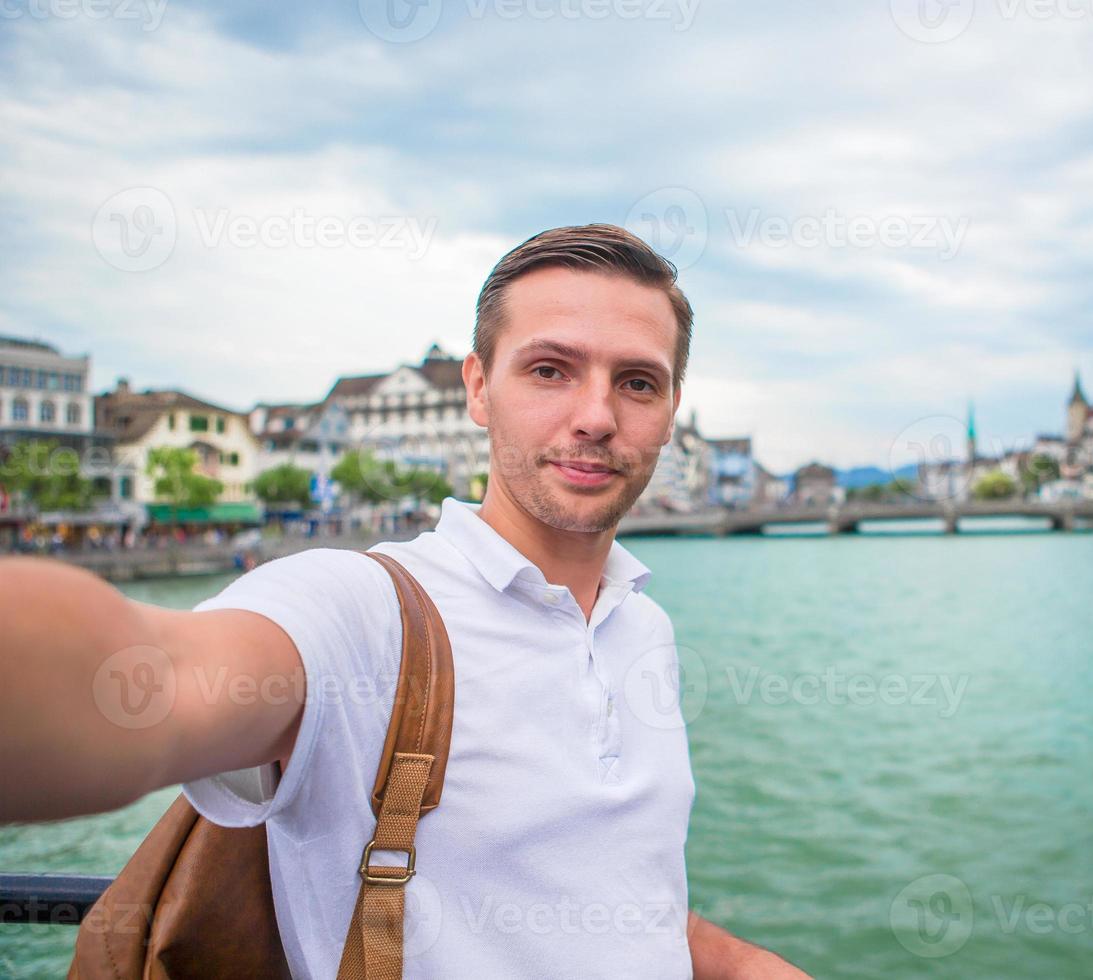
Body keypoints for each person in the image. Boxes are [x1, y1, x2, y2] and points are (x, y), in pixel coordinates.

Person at [0, 225, 809, 979]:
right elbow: (148, 681)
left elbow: (619, 899)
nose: (596, 417)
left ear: (670, 412)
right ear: (479, 388)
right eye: (550, 370)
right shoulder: (362, 610)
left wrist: (739, 964)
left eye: (637, 382)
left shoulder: (643, 624)